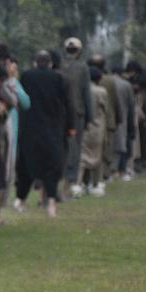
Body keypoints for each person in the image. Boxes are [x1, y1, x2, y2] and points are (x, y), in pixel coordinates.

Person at [13, 50, 75, 217]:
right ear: (51, 64)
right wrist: (71, 127)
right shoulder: (59, 79)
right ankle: (51, 204)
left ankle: (20, 200)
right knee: (52, 166)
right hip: (52, 129)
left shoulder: (26, 77)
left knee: (26, 165)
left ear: (35, 63)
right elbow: (68, 104)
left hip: (29, 129)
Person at [60, 37, 92, 198]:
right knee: (74, 151)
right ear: (79, 51)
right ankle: (68, 187)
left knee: (61, 149)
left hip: (60, 114)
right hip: (77, 115)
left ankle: (60, 187)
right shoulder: (83, 68)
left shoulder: (59, 67)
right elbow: (86, 94)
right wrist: (89, 117)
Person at [79, 66, 111, 196]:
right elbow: (106, 110)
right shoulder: (101, 91)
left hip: (84, 126)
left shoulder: (82, 90)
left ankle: (79, 183)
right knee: (98, 156)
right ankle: (96, 184)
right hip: (99, 126)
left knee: (82, 156)